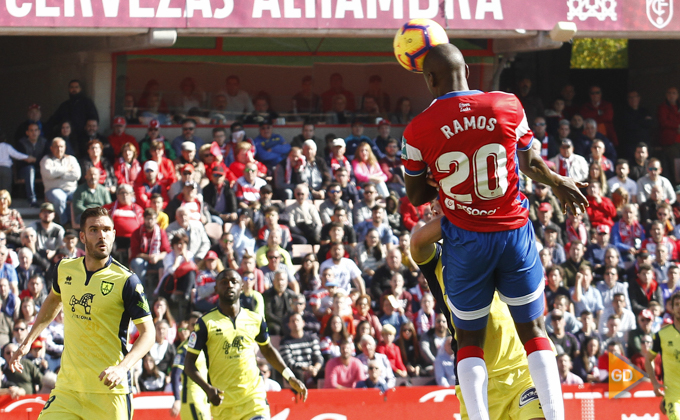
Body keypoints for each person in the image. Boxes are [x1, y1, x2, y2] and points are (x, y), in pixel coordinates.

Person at [402, 44, 585, 420]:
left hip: (465, 237)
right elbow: (531, 162)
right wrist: (558, 181)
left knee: (469, 340)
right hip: (512, 231)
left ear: (430, 79)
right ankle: (556, 416)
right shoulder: (507, 104)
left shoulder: (418, 129)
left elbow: (417, 194)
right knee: (534, 329)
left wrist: (450, 184)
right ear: (468, 70)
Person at [9, 206, 154, 418]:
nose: (101, 235)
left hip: (109, 392)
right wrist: (27, 342)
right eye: (94, 229)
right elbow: (52, 301)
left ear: (114, 234)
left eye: (106, 229)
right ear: (82, 236)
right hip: (68, 390)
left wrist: (122, 368)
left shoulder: (127, 281)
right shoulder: (64, 269)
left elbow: (149, 333)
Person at [410, 209, 546, 420]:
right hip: (475, 377)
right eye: (441, 204)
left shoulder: (495, 240)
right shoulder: (436, 258)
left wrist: (479, 208)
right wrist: (465, 211)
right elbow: (417, 243)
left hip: (520, 368)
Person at [184, 269, 307, 419]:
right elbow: (189, 364)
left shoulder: (255, 319)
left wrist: (289, 376)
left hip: (253, 400)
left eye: (234, 282)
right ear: (216, 289)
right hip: (223, 405)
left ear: (242, 287)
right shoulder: (205, 323)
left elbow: (267, 349)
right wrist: (208, 389)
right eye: (224, 282)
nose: (229, 285)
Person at [169, 312, 210, 420]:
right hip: (192, 397)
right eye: (193, 324)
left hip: (203, 397)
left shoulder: (205, 346)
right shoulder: (185, 348)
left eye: (199, 324)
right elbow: (175, 374)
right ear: (188, 326)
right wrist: (177, 399)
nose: (196, 327)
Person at [646, 291, 680, 417]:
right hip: (673, 394)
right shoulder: (662, 335)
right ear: (671, 308)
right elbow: (648, 359)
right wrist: (654, 383)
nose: (679, 308)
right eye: (677, 304)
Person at [46, 80, 99, 155]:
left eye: (76, 87)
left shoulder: (87, 103)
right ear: (68, 89)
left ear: (80, 89)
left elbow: (94, 119)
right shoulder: (65, 105)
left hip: (83, 137)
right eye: (72, 87)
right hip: (68, 137)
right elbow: (54, 119)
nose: (74, 89)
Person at [40, 137, 82, 225]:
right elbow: (49, 174)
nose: (59, 149)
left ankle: (77, 223)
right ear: (51, 148)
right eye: (56, 146)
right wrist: (66, 169)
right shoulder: (46, 159)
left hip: (71, 189)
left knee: (80, 197)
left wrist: (58, 175)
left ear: (65, 148)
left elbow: (77, 175)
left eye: (61, 146)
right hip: (53, 189)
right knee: (60, 199)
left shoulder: (71, 159)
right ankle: (65, 223)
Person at [130, 207, 170, 289]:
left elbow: (166, 251)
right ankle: (140, 291)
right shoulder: (137, 233)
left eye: (152, 219)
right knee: (138, 262)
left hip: (157, 259)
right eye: (148, 219)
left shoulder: (161, 232)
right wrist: (149, 257)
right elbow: (135, 253)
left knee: (165, 262)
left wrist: (157, 257)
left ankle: (161, 291)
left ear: (156, 220)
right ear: (144, 219)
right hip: (142, 259)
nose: (150, 221)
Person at [279, 313, 324, 385]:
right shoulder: (285, 342)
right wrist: (306, 368)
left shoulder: (312, 338)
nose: (295, 323)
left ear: (303, 323)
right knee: (298, 374)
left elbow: (318, 357)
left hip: (312, 369)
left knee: (325, 371)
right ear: (289, 325)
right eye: (292, 321)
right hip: (297, 371)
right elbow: (288, 362)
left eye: (297, 320)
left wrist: (315, 368)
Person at [14, 123, 45, 206]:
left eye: (36, 130)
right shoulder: (21, 143)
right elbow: (20, 160)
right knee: (30, 169)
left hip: (41, 169)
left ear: (39, 132)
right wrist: (28, 160)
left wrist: (34, 160)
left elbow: (46, 158)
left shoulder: (44, 142)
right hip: (25, 170)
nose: (34, 133)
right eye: (31, 130)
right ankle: (32, 199)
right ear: (27, 132)